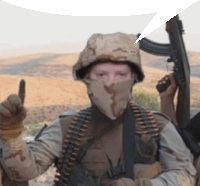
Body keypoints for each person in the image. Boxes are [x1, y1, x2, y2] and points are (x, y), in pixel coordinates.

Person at [0, 33, 197, 186]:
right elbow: (24, 172)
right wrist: (12, 134)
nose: (111, 83)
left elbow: (186, 175)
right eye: (101, 74)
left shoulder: (156, 125)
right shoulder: (68, 126)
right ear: (87, 79)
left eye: (120, 74)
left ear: (133, 78)